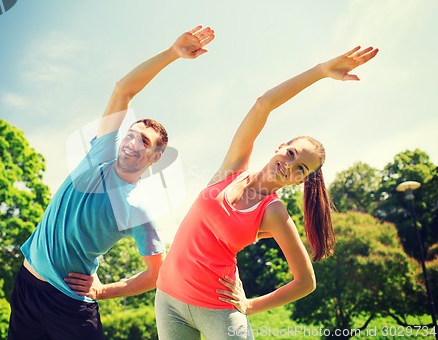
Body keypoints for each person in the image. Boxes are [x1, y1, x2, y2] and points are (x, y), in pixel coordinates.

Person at [154, 45, 379, 339]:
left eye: (300, 169)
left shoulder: (274, 212)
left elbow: (305, 281)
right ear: (279, 147)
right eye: (290, 154)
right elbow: (264, 103)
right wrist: (321, 71)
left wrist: (250, 305)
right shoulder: (232, 169)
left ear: (299, 182)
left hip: (219, 309)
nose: (289, 165)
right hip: (168, 299)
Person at [7, 25, 215, 340]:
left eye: (143, 141)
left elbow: (156, 273)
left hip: (70, 306)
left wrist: (104, 290)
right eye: (130, 134)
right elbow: (123, 89)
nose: (132, 142)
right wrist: (173, 53)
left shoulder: (138, 210)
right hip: (26, 287)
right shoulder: (98, 155)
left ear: (155, 156)